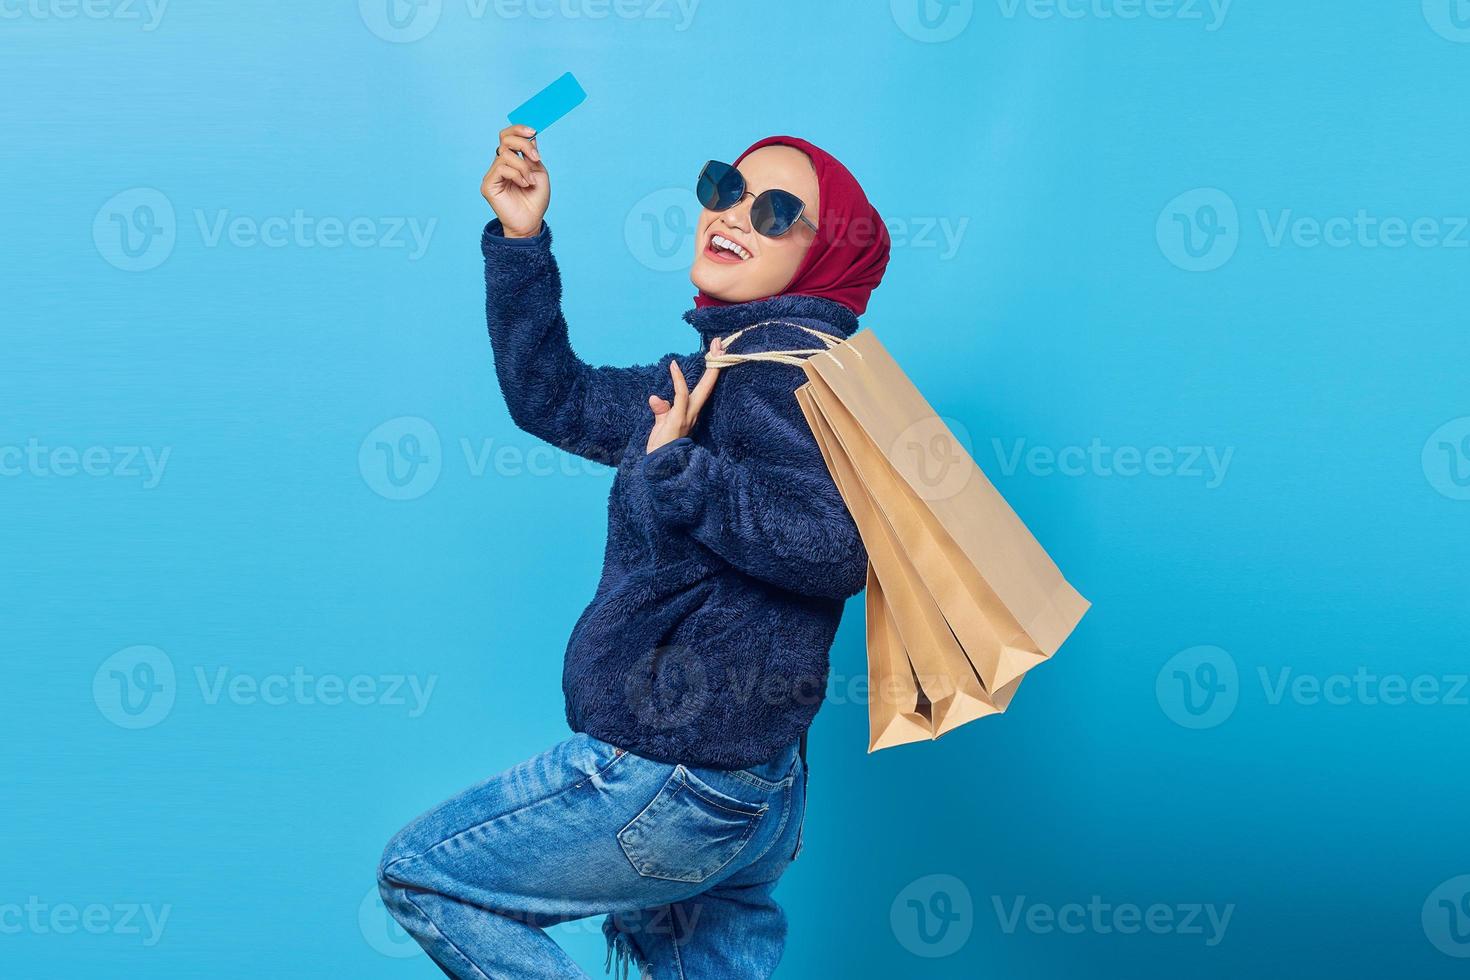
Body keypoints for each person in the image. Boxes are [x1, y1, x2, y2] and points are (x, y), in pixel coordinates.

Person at [378, 127, 891, 979]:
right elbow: (558, 399)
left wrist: (678, 468)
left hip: (677, 773)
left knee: (427, 877)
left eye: (774, 212)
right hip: (754, 788)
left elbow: (834, 550)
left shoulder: (780, 379)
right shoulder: (726, 370)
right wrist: (520, 239)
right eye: (724, 187)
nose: (732, 214)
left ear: (821, 258)